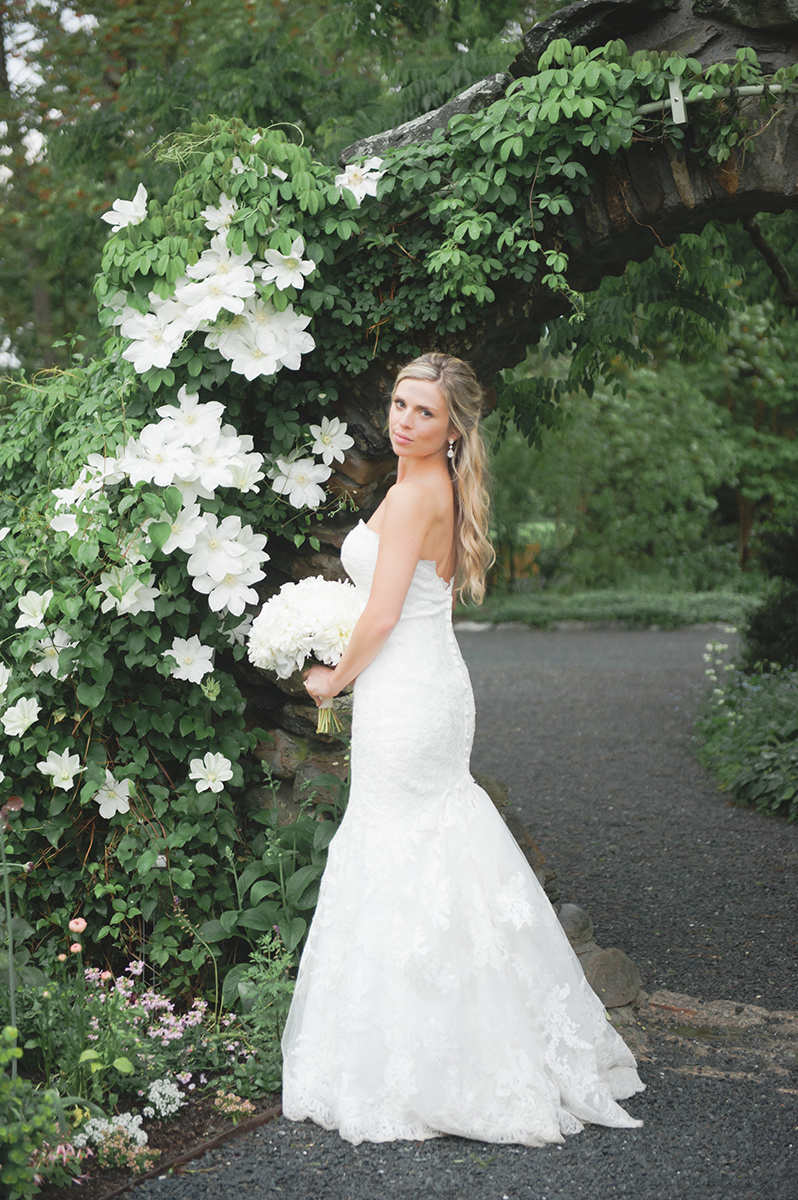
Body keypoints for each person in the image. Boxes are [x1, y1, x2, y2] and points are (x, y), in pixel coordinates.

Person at [282, 352, 645, 1146]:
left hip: (407, 694)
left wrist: (330, 680)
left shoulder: (416, 495)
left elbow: (379, 620)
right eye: (400, 405)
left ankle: (437, 1063)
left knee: (406, 850)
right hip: (419, 684)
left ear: (452, 430)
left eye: (424, 413)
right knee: (428, 849)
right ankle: (431, 1043)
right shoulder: (415, 485)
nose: (403, 420)